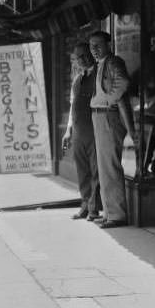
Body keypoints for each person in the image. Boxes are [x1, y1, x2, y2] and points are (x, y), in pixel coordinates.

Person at [88, 31, 132, 228]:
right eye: (91, 46)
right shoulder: (102, 64)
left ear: (109, 44)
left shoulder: (113, 62)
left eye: (98, 45)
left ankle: (116, 215)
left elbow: (122, 82)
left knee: (110, 166)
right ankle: (109, 211)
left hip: (107, 115)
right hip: (99, 116)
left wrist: (109, 101)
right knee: (104, 166)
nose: (94, 49)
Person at [61, 43, 101, 221]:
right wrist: (68, 130)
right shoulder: (77, 79)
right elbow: (72, 105)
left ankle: (93, 209)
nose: (83, 59)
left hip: (94, 128)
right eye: (79, 57)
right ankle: (84, 205)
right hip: (78, 129)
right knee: (82, 170)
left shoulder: (99, 75)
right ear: (75, 61)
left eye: (86, 55)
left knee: (95, 169)